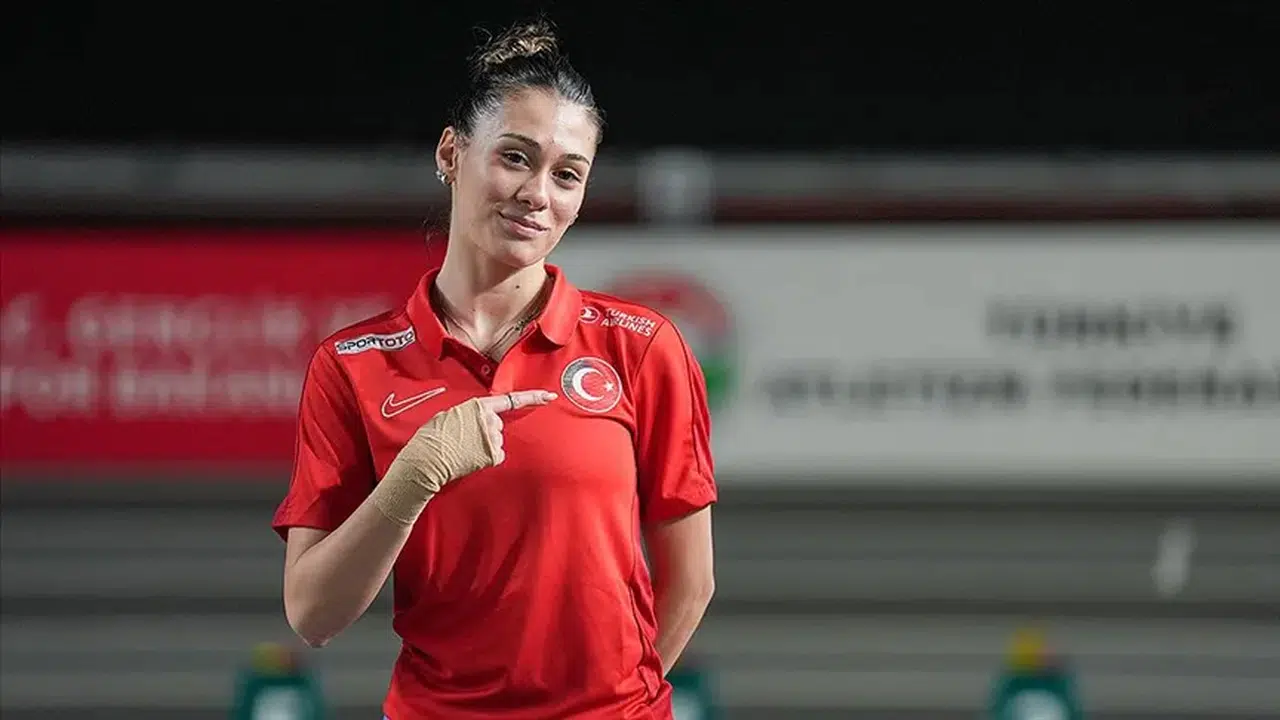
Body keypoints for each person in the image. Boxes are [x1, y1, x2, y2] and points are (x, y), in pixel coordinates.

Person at [272, 17, 717, 720]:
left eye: (567, 175)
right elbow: (312, 614)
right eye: (515, 157)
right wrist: (411, 481)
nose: (539, 193)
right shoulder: (352, 366)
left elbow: (691, 584)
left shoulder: (642, 346)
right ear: (451, 153)